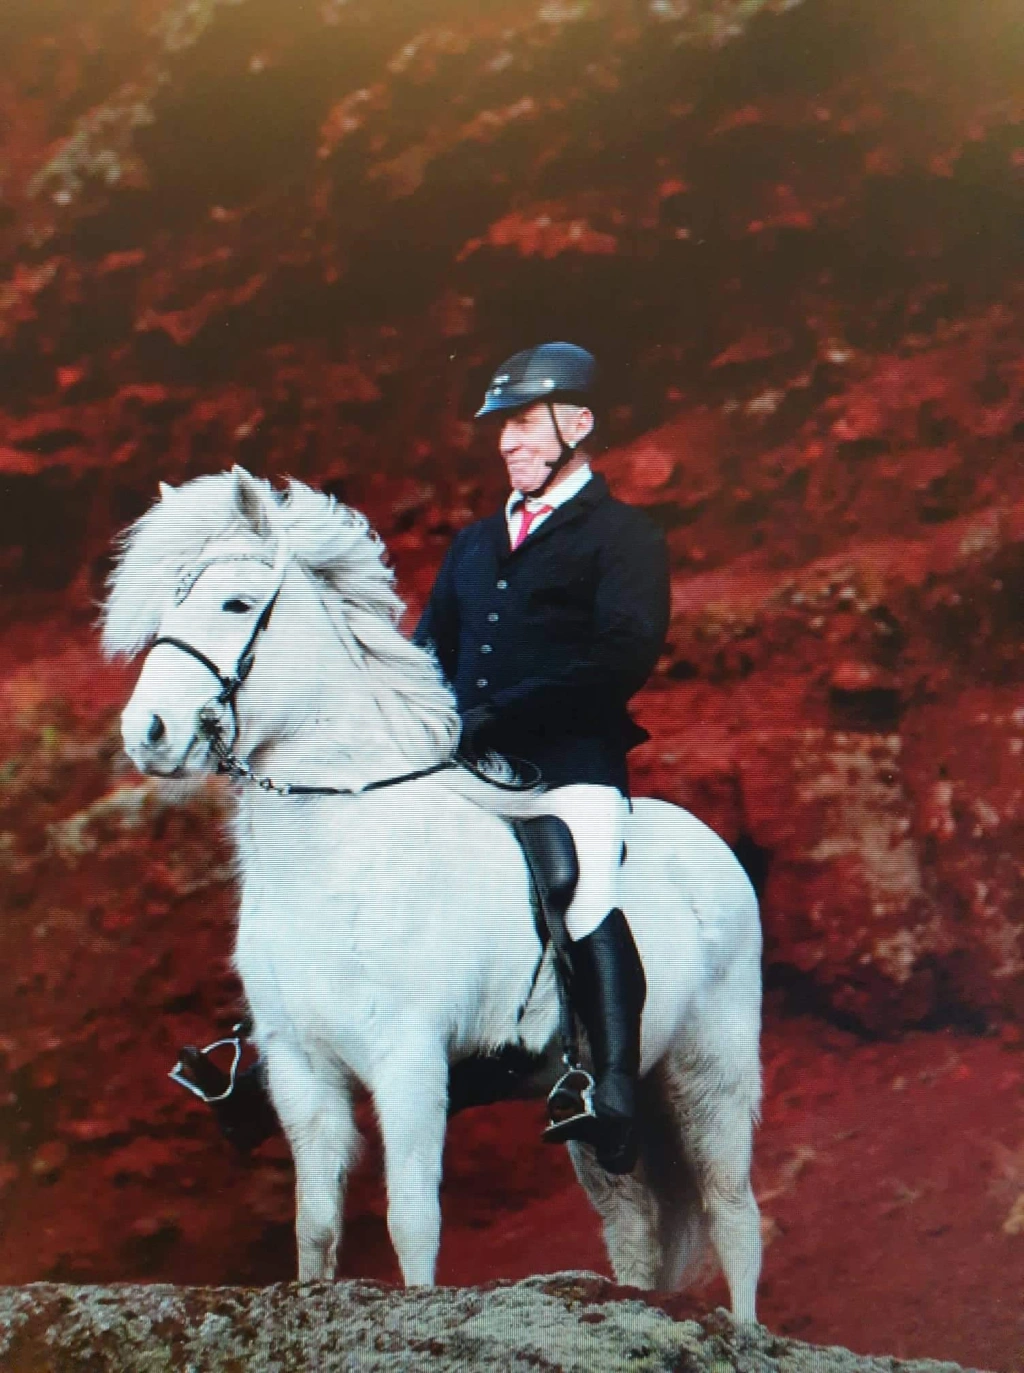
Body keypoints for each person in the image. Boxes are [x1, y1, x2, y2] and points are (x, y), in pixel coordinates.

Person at [414, 341, 671, 1173]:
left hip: (570, 764)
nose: (507, 442)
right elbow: (427, 651)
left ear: (578, 424)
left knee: (582, 889)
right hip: (469, 766)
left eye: (524, 423)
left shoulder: (625, 537)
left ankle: (614, 1088)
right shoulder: (473, 544)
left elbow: (621, 655)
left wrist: (504, 711)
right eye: (503, 427)